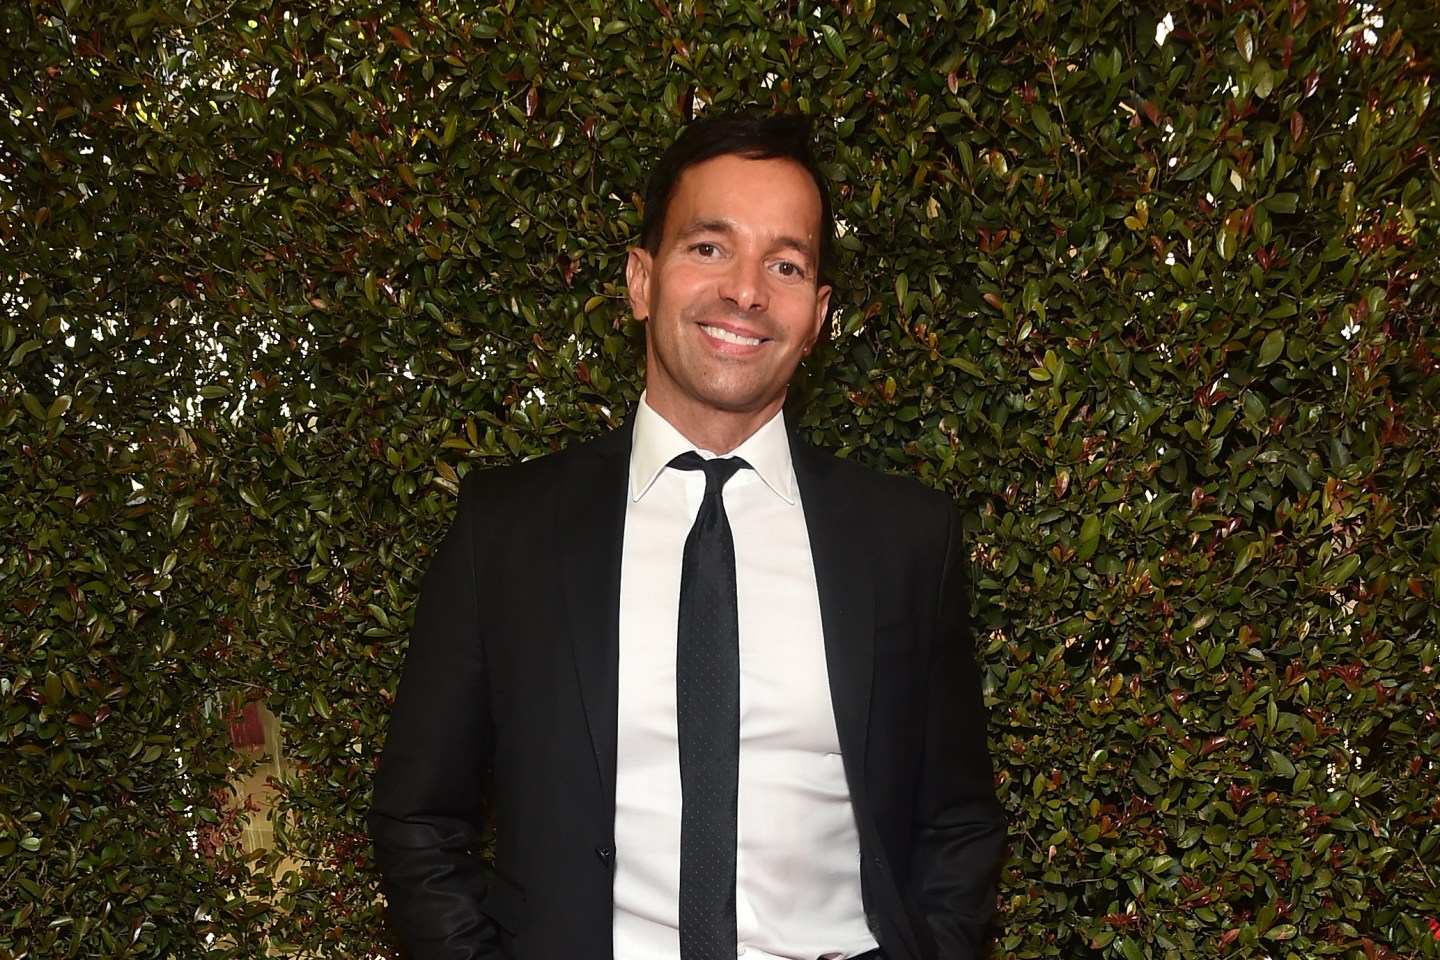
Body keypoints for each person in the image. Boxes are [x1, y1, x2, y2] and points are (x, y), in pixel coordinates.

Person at [369, 113, 1006, 960]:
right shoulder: (507, 530)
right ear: (641, 280)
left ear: (816, 316)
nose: (746, 290)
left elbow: (956, 819)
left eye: (785, 264)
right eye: (710, 247)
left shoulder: (906, 539)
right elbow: (419, 817)